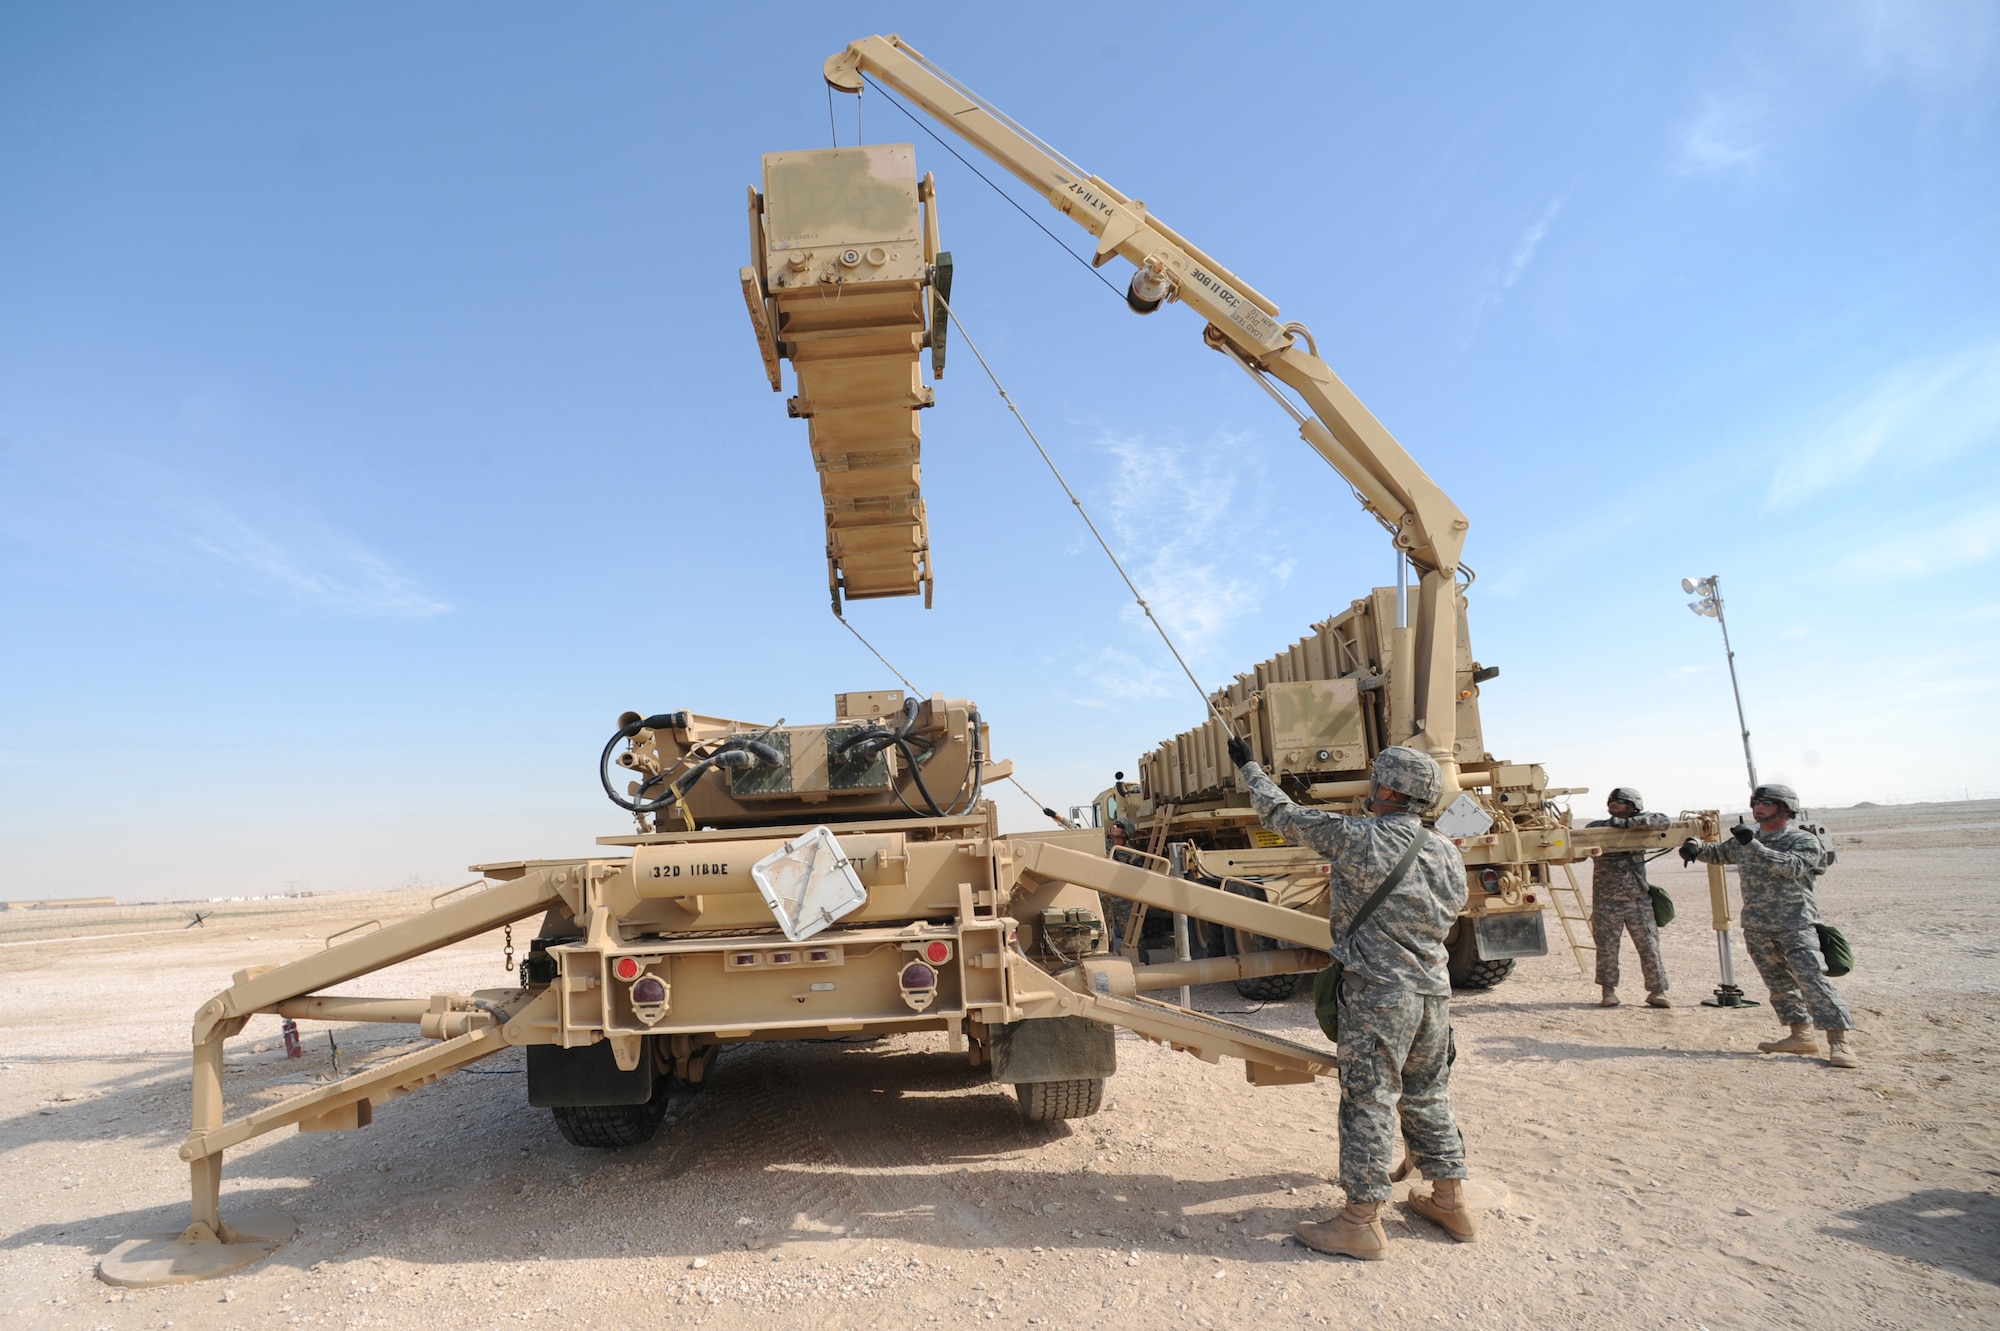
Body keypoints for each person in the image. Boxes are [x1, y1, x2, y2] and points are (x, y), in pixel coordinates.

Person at [1228, 734, 1476, 1259]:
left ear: (1386, 789)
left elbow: (1281, 814)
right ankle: (1450, 1201)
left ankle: (1360, 1221)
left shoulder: (1361, 838)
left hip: (1379, 997)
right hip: (1433, 995)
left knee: (1369, 1100)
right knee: (1428, 1094)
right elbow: (1452, 913)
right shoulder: (1446, 854)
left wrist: (1249, 767)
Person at [1681, 783, 1858, 1069]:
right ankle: (1800, 1036)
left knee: (1813, 980)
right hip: (1757, 925)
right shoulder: (1745, 841)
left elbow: (1791, 867)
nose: (1758, 806)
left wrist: (1753, 844)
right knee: (1779, 984)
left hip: (1795, 924)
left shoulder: (1802, 840)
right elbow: (1718, 854)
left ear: (1785, 809)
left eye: (1767, 802)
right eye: (1756, 801)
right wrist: (1696, 847)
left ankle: (1839, 1043)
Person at [1587, 787, 1671, 1008]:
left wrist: (1627, 825)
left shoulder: (1642, 826)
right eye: (1611, 800)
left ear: (1634, 806)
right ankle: (1608, 991)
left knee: (1649, 947)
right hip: (1607, 902)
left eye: (1620, 801)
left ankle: (1657, 991)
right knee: (1607, 949)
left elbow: (1663, 821)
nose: (1614, 804)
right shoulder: (1598, 828)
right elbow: (1578, 845)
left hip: (1637, 900)